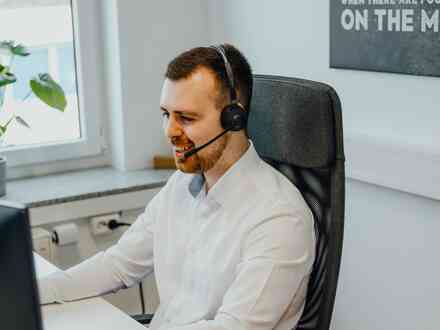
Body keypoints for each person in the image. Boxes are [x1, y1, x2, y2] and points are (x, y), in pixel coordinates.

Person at [38, 44, 316, 330]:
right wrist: (35, 293)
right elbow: (118, 265)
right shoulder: (181, 185)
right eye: (166, 114)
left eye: (186, 118)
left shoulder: (279, 217)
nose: (170, 131)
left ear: (234, 118)